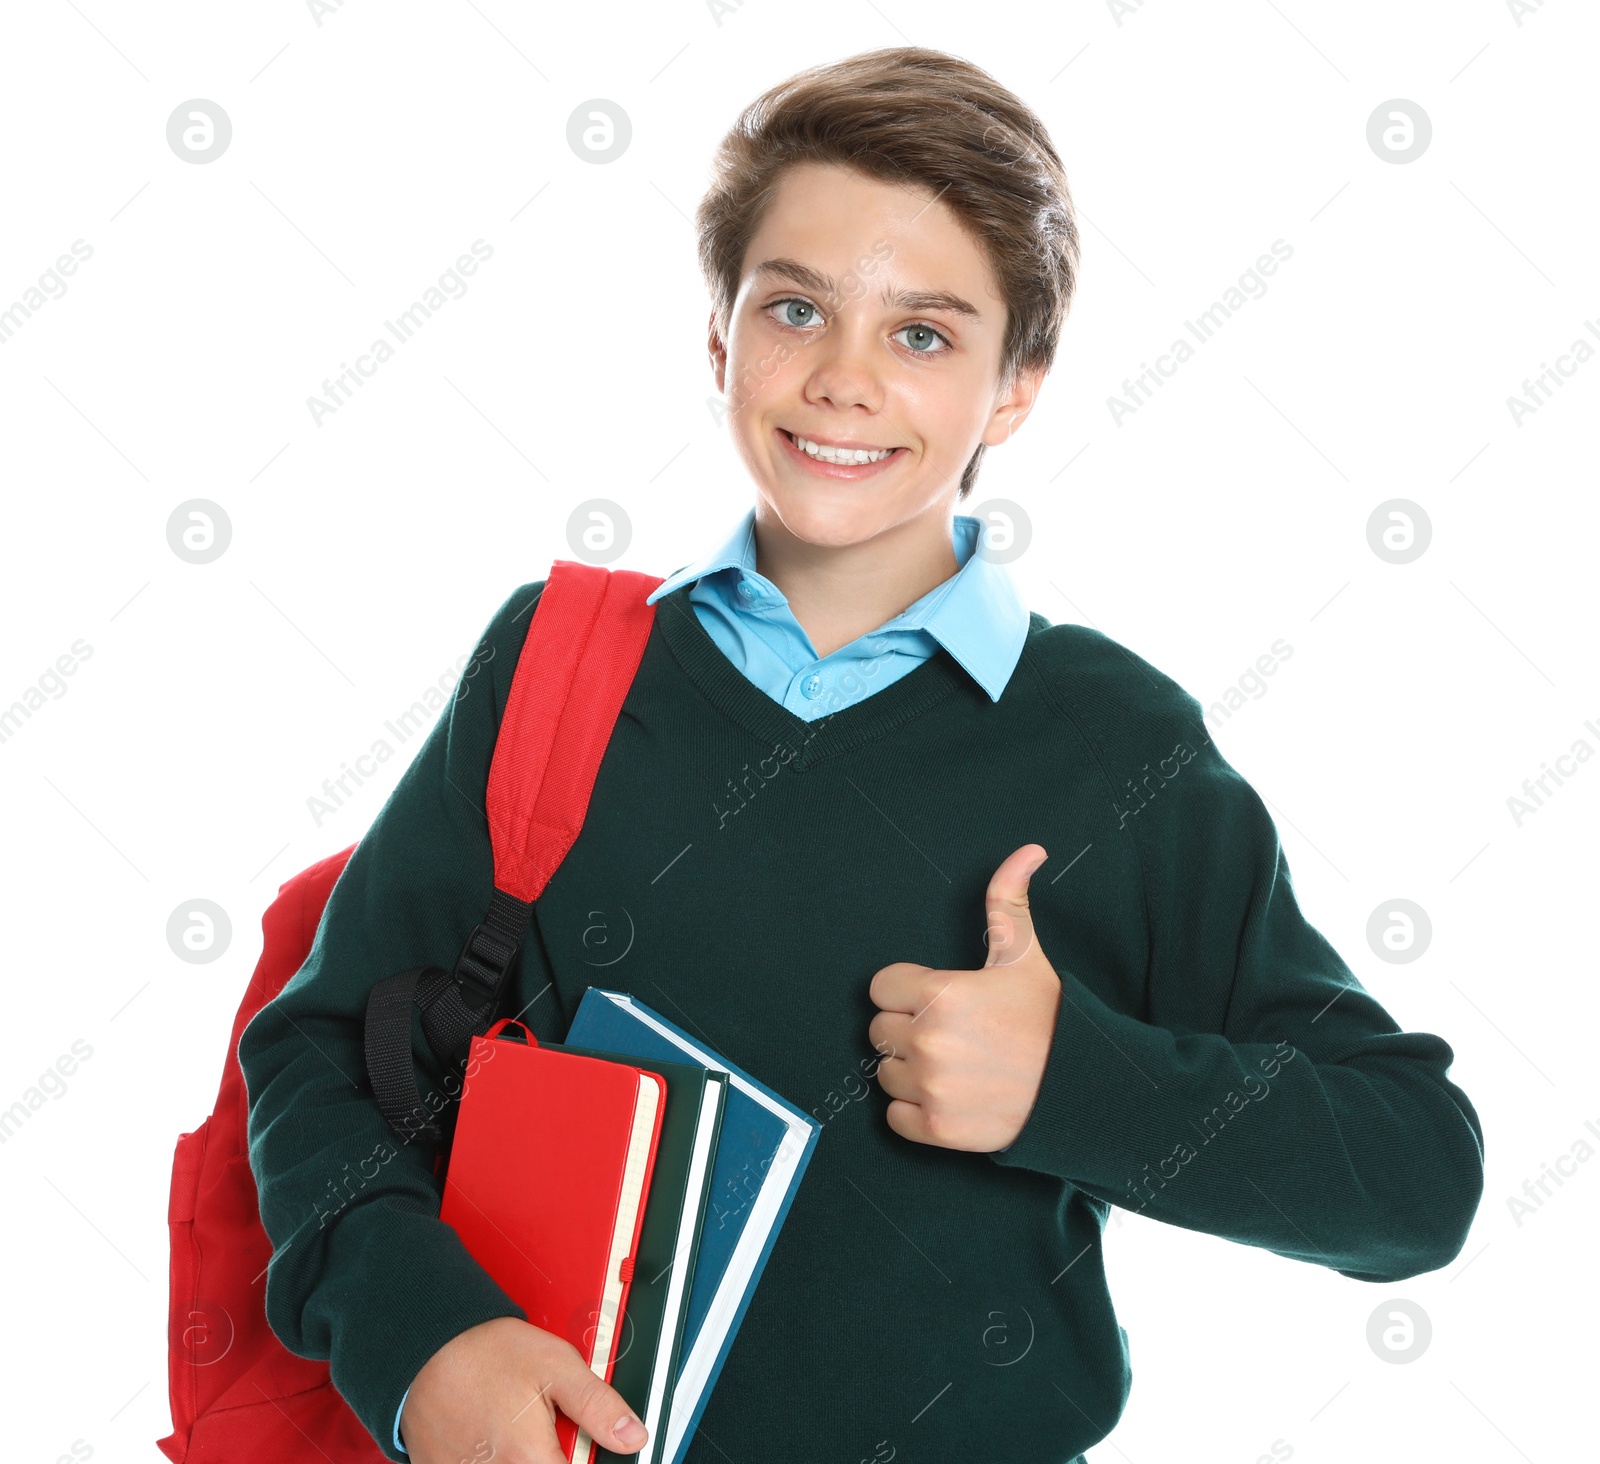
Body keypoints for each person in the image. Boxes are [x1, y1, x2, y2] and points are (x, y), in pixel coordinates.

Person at [238, 45, 1485, 1464]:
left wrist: (1071, 1081)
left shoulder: (1112, 748)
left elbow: (1414, 1175)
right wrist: (426, 1345)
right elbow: (319, 1050)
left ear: (1015, 388)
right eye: (794, 310)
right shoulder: (559, 663)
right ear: (719, 339)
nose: (841, 380)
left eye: (924, 335)